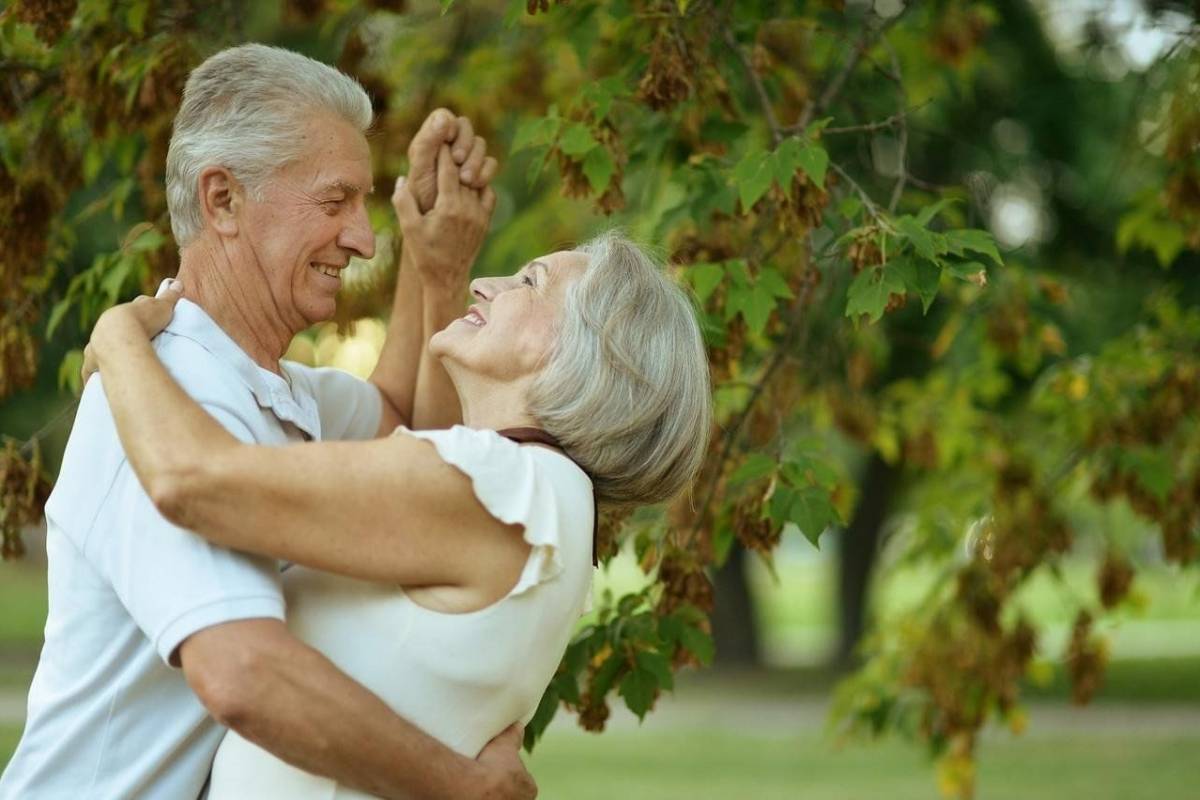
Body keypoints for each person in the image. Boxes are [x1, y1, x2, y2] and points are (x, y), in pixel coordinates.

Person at [0, 43, 532, 800]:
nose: (363, 238)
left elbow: (404, 422)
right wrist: (462, 786)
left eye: (367, 204)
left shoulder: (268, 391)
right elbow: (241, 671)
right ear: (222, 201)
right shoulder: (170, 399)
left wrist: (434, 262)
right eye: (335, 201)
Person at [78, 215, 713, 797]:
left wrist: (117, 339)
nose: (490, 283)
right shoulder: (543, 498)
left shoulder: (503, 488)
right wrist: (434, 270)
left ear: (592, 350)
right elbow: (397, 419)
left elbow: (192, 481)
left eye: (530, 281)